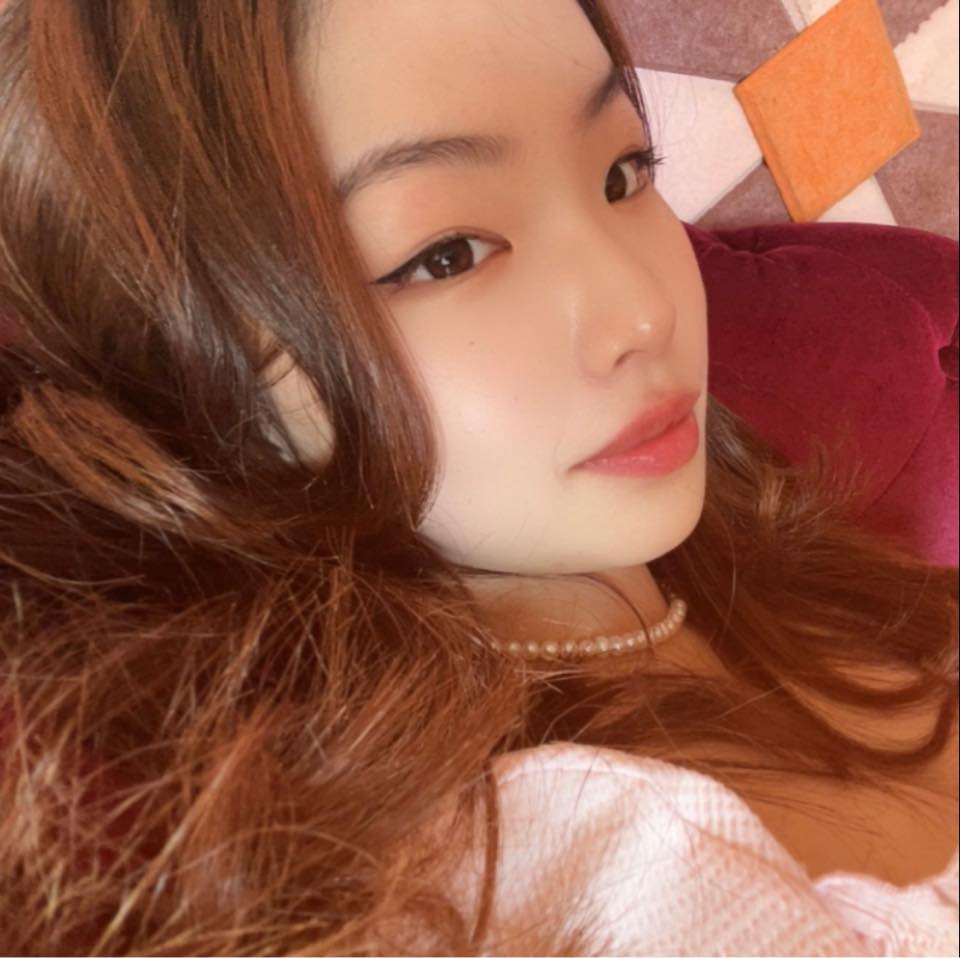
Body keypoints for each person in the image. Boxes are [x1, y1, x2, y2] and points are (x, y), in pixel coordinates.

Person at [0, 0, 955, 954]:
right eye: (444, 256)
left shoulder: (762, 564)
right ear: (179, 381)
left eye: (623, 172)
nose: (643, 313)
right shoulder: (494, 886)